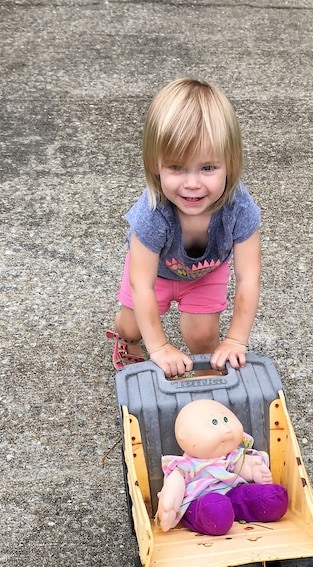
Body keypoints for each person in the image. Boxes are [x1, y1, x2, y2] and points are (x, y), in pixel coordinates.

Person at [107, 78, 262, 378]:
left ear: (230, 163)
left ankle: (209, 391)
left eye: (207, 167)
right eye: (177, 167)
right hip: (155, 276)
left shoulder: (239, 207)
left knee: (203, 339)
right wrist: (160, 347)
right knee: (132, 326)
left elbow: (249, 278)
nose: (192, 183)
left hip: (206, 273)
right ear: (156, 165)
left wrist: (235, 340)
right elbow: (142, 284)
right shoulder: (152, 213)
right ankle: (125, 340)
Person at [155, 400, 289, 535]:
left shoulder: (231, 456)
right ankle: (214, 516)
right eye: (214, 423)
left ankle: (253, 506)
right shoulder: (185, 466)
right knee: (215, 511)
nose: (227, 429)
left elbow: (239, 466)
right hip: (200, 503)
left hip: (232, 495)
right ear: (183, 434)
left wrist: (254, 469)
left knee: (272, 499)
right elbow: (175, 485)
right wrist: (169, 507)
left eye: (226, 419)